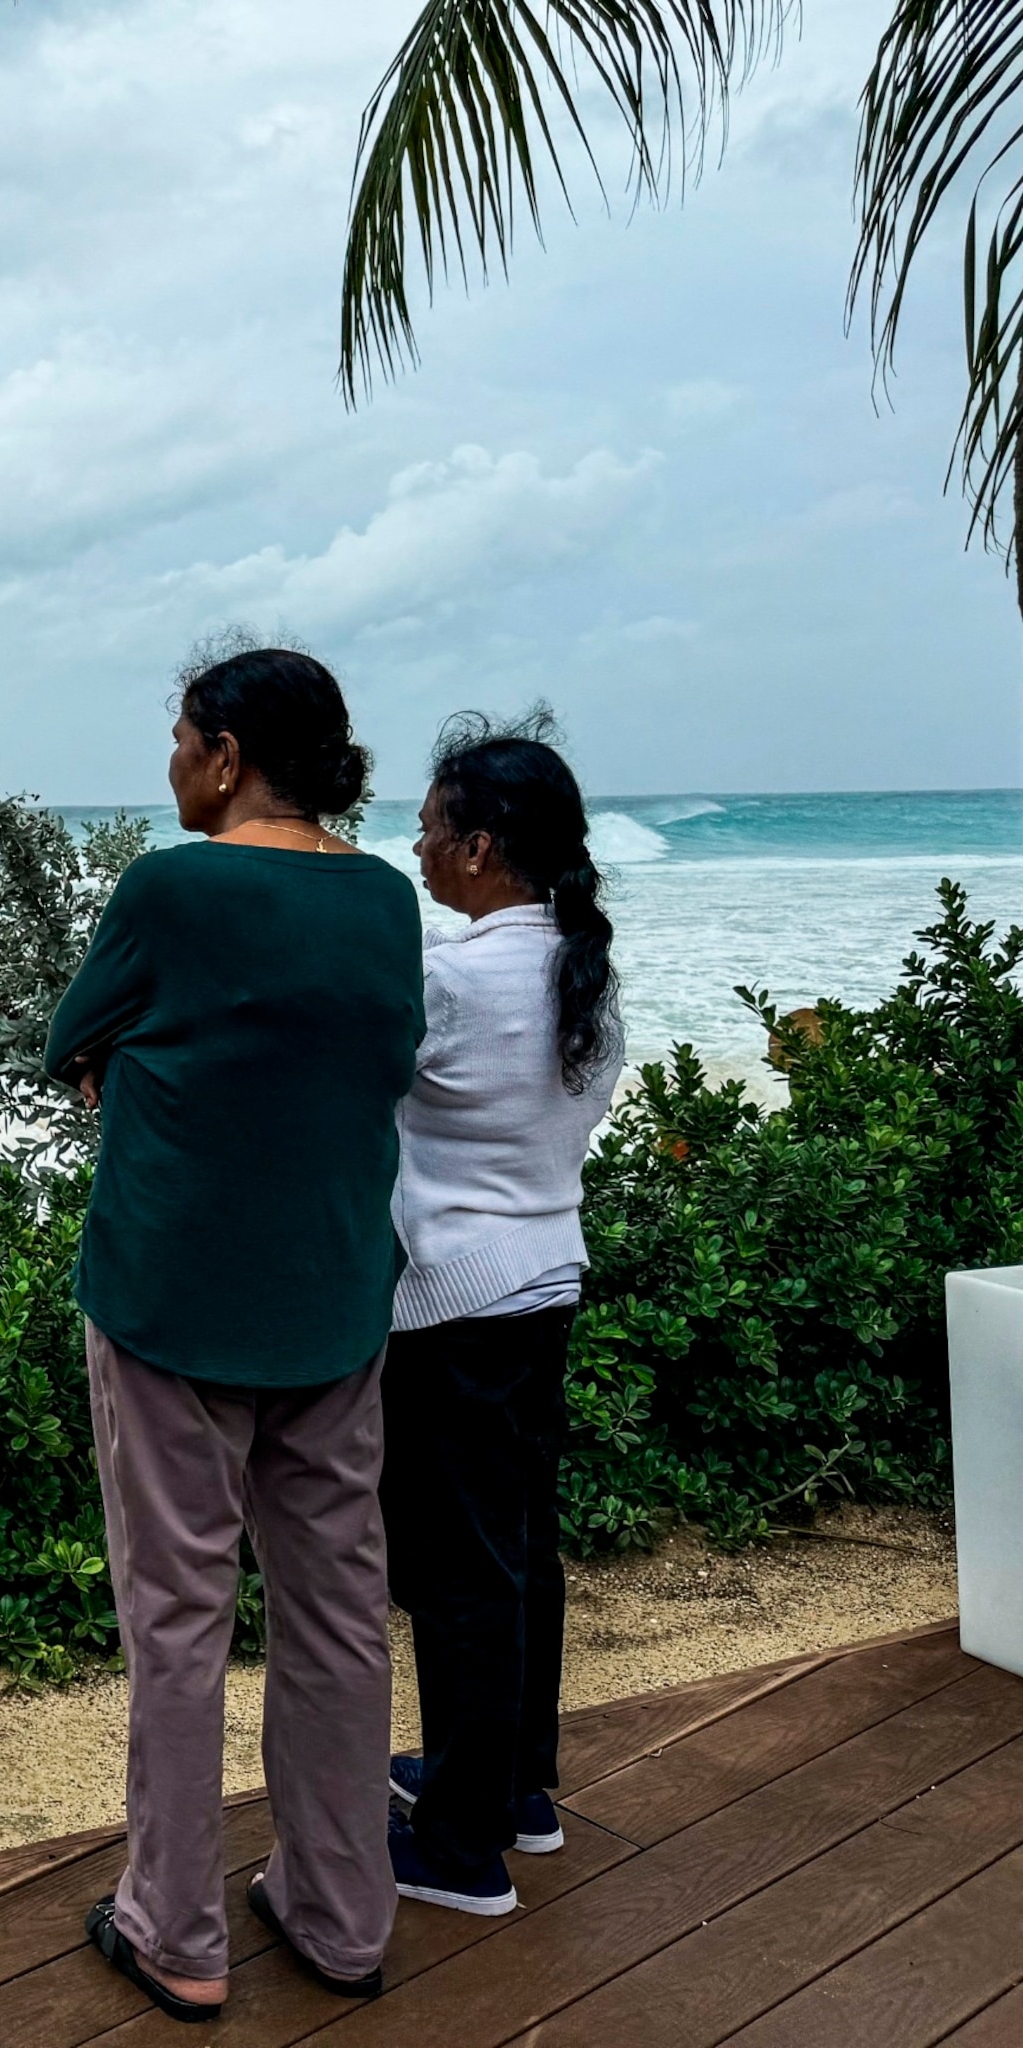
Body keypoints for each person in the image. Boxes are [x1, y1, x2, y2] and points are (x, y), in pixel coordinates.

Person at [43, 646, 425, 2023]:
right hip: (333, 1302)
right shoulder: (384, 898)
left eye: (179, 738)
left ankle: (175, 1928)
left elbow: (73, 1038)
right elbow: (370, 1058)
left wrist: (130, 1066)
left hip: (172, 1303)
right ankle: (337, 1916)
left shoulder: (173, 884)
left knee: (178, 1617)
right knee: (337, 1618)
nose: (170, 764)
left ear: (220, 754)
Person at [381, 713, 621, 1917]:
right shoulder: (582, 970)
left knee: (461, 1574)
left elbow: (353, 1076)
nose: (416, 848)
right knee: (520, 1550)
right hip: (542, 1284)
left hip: (454, 1307)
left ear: (479, 846)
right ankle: (518, 1788)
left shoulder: (448, 975)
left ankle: (462, 1847)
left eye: (429, 829)